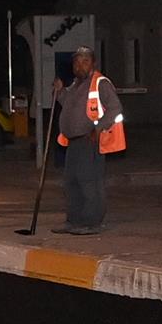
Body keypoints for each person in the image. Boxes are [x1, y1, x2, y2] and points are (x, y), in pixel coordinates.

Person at [54, 45, 124, 235]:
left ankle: (92, 222)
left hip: (89, 140)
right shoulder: (76, 85)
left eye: (85, 61)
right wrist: (60, 92)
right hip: (73, 142)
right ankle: (74, 220)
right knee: (71, 182)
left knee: (89, 181)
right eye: (77, 61)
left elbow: (115, 108)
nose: (80, 65)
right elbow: (68, 104)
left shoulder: (101, 83)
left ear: (93, 63)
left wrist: (98, 128)